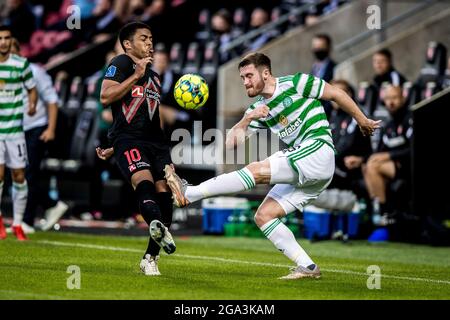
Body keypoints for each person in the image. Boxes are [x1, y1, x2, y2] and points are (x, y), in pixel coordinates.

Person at [164, 52, 380, 280]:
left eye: (249, 75)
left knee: (257, 170)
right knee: (264, 215)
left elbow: (336, 93)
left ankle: (190, 193)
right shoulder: (257, 109)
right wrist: (248, 119)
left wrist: (362, 119)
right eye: (242, 78)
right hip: (309, 169)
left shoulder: (297, 83)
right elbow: (230, 144)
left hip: (318, 149)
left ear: (265, 73)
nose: (245, 82)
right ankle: (307, 267)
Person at [98, 21, 176, 276]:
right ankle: (156, 226)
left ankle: (149, 258)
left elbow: (152, 115)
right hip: (130, 139)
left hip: (156, 142)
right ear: (128, 44)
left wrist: (164, 150)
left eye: (151, 38)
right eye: (144, 38)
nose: (150, 43)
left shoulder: (153, 74)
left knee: (167, 199)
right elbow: (106, 97)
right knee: (144, 183)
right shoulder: (121, 64)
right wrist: (135, 76)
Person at [9, 38, 69, 234]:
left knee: (28, 173)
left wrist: (50, 129)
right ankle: (51, 204)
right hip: (15, 129)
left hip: (37, 128)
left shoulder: (35, 72)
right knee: (17, 174)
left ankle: (26, 220)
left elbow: (52, 101)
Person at [0, 25, 37, 241]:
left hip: (15, 130)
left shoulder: (21, 65)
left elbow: (32, 89)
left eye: (6, 38)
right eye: (0, 38)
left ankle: (17, 223)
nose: (3, 42)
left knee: (19, 176)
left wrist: (32, 104)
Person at [363, 85, 412, 227]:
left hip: (409, 166)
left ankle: (384, 211)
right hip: (392, 167)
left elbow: (413, 150)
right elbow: (378, 152)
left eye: (395, 98)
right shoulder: (389, 125)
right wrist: (362, 160)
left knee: (374, 165)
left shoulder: (410, 119)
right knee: (367, 165)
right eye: (388, 99)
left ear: (403, 98)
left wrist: (388, 156)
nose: (391, 102)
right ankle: (378, 208)